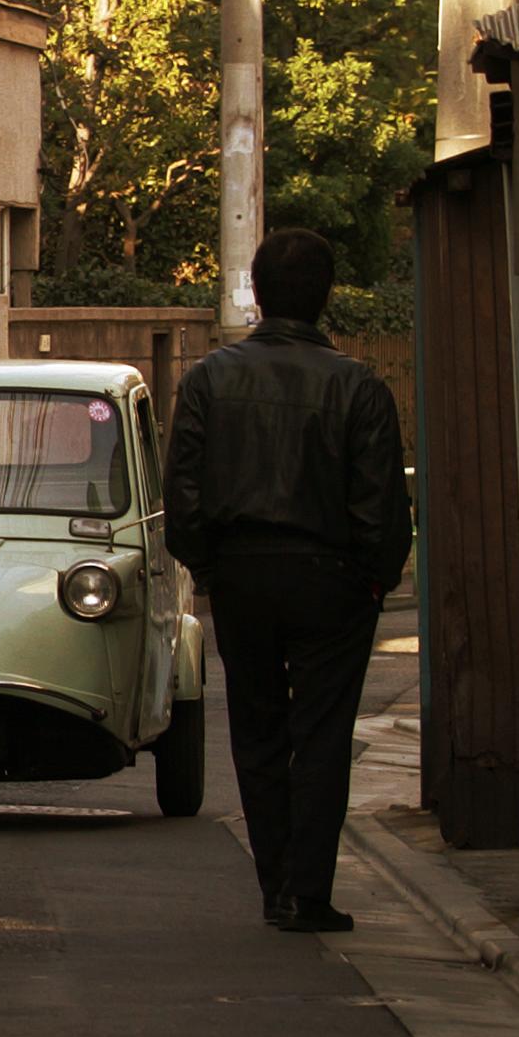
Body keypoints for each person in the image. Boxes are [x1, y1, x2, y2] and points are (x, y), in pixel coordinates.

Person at [166, 227, 414, 935]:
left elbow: (181, 494)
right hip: (331, 577)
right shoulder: (358, 386)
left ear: (258, 290)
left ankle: (273, 884)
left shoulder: (208, 379)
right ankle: (307, 890)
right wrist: (375, 579)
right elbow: (379, 506)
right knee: (322, 732)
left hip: (240, 573)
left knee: (258, 728)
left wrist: (208, 567)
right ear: (325, 295)